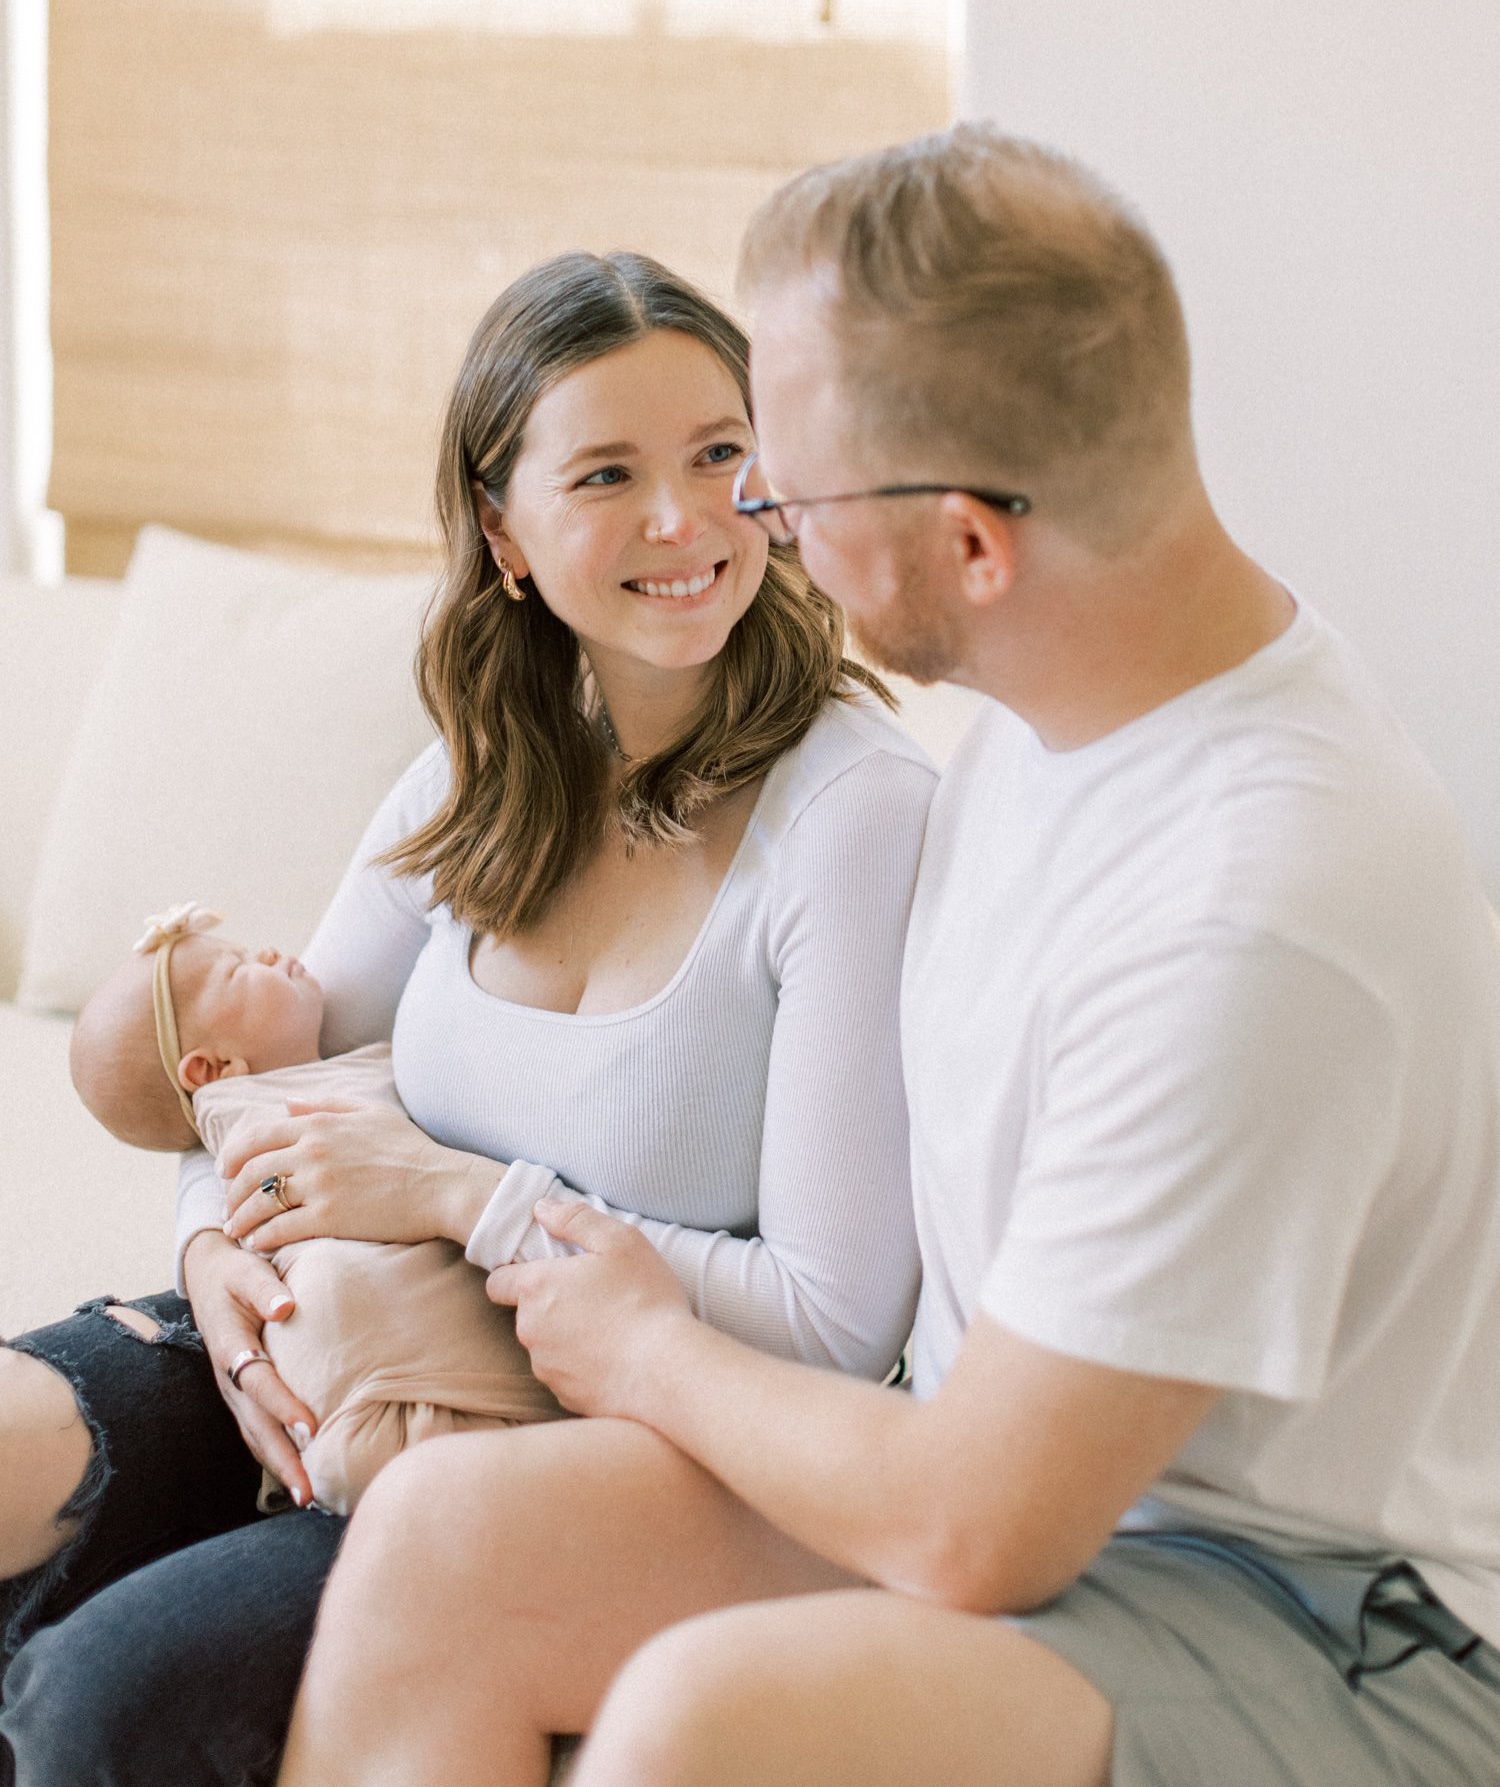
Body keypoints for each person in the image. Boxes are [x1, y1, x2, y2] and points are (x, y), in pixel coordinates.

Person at [277, 128, 1500, 1787]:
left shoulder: (1252, 911)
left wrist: (647, 1347)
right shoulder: (1054, 701)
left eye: (781, 480)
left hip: (1323, 1610)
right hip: (1030, 1478)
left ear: (974, 543)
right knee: (440, 1543)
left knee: (707, 1726)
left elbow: (973, 1523)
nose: (749, 520)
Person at [0, 251, 936, 1787]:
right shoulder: (477, 773)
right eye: (609, 474)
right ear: (503, 530)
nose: (686, 520)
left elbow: (841, 1328)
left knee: (101, 1697)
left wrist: (463, 1198)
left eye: (722, 456)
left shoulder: (851, 816)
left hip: (536, 1445)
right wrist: (209, 1251)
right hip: (321, 1346)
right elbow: (246, 1082)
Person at [70, 904, 564, 1515]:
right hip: (382, 1380)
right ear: (214, 1068)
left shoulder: (297, 1086)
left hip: (347, 1417)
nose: (272, 952)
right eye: (240, 968)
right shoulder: (319, 1093)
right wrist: (203, 1246)